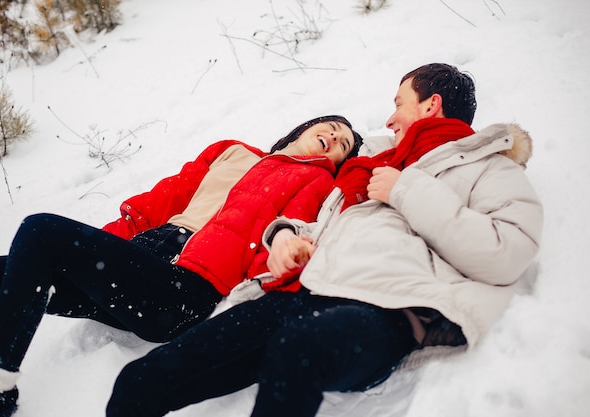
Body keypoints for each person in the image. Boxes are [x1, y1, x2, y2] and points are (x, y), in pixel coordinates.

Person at [106, 63, 543, 417]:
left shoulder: (489, 168)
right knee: (139, 382)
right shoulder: (372, 167)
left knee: (299, 351)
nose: (389, 119)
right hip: (309, 290)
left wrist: (406, 191)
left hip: (387, 310)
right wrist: (285, 238)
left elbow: (505, 255)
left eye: (399, 103)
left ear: (432, 105)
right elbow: (322, 221)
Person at [0, 115, 364, 417]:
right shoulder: (233, 151)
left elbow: (288, 232)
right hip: (139, 260)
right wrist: (82, 254)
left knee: (41, 229)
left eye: (344, 145)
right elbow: (157, 204)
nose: (335, 138)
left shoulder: (315, 182)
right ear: (306, 127)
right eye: (331, 127)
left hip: (183, 289)